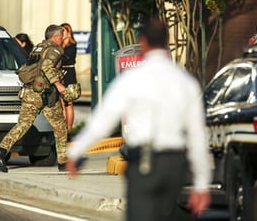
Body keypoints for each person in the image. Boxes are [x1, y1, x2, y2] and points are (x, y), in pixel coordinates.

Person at [66, 18, 211, 220]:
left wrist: (75, 151)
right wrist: (201, 184)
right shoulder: (185, 81)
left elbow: (102, 122)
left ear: (142, 41)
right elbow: (197, 135)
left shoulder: (132, 79)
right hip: (175, 165)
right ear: (167, 40)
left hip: (144, 163)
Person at [0, 24, 69, 172]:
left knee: (22, 125)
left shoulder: (38, 48)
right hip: (45, 94)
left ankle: (1, 151)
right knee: (60, 127)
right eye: (62, 36)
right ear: (56, 37)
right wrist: (59, 86)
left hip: (31, 92)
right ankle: (63, 161)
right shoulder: (54, 49)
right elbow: (47, 67)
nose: (63, 39)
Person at [60, 23, 78, 133]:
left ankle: (69, 128)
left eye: (63, 31)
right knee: (61, 102)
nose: (61, 33)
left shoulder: (72, 46)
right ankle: (63, 129)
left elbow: (66, 58)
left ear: (68, 32)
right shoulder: (58, 45)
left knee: (69, 103)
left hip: (69, 73)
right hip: (60, 73)